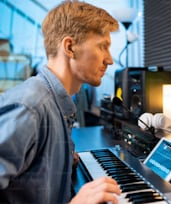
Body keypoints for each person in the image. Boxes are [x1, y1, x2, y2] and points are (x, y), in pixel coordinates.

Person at [0, 1, 122, 203]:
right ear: (70, 47)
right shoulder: (30, 108)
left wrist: (61, 161)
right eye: (103, 47)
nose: (109, 60)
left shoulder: (55, 103)